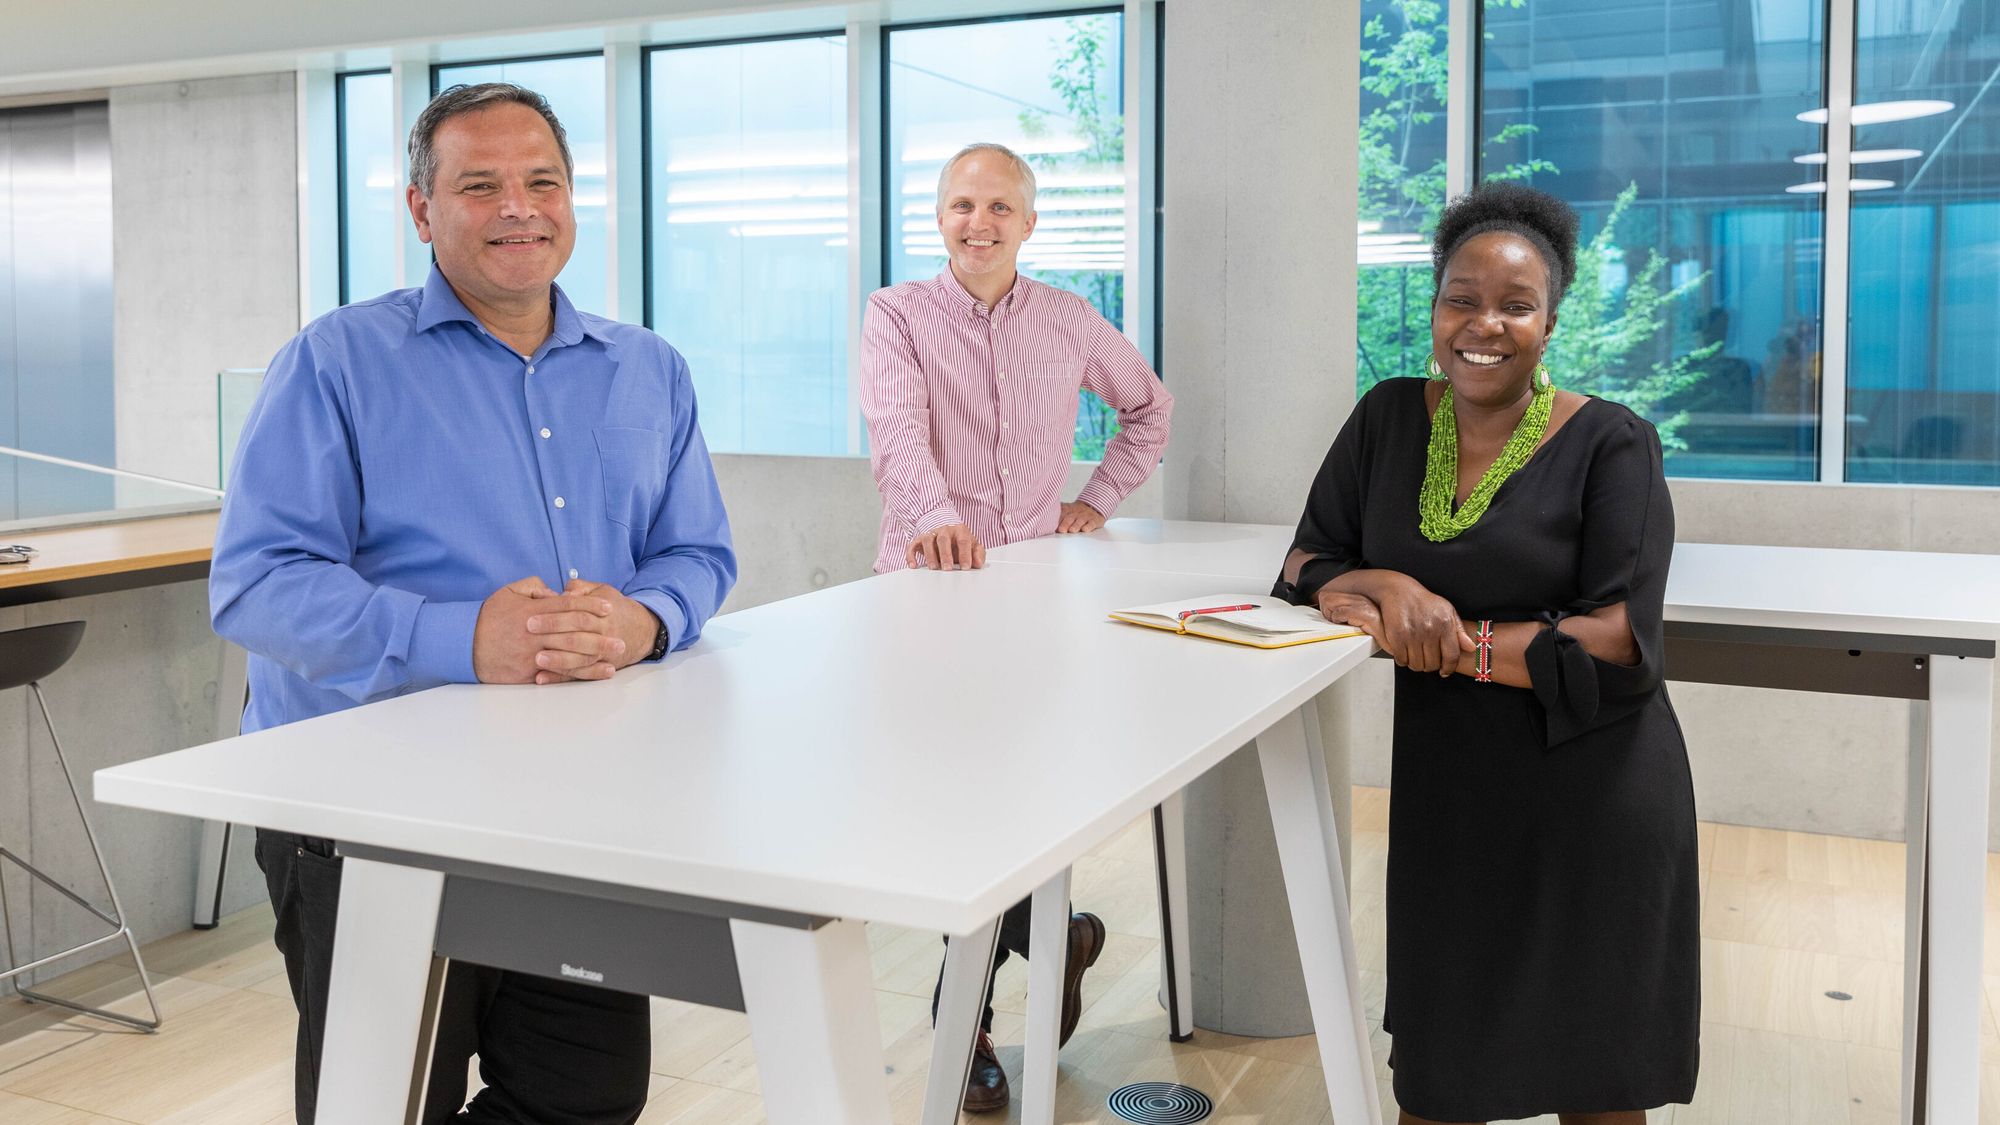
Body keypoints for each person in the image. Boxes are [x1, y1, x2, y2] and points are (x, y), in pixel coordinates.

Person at [210, 83, 736, 1125]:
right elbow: (258, 584)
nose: (518, 207)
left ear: (572, 199)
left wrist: (645, 619)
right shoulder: (335, 362)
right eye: (479, 184)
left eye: (541, 181)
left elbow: (696, 552)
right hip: (367, 815)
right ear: (421, 211)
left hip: (579, 808)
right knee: (386, 1101)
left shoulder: (648, 370)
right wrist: (462, 639)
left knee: (583, 1094)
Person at [1275, 182, 1698, 1124]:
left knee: (1596, 1086)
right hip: (1450, 796)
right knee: (1439, 1075)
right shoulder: (1388, 418)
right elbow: (1306, 559)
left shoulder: (1613, 443)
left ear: (1550, 322)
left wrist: (1452, 641)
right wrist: (1388, 588)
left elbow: (1618, 638)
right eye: (1461, 298)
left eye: (1516, 305)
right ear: (1433, 307)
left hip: (1591, 792)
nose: (1484, 325)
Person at [858, 141, 1174, 1112]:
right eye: (960, 204)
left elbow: (1146, 413)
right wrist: (935, 516)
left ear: (1027, 223)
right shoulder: (895, 315)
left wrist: (1094, 502)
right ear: (939, 218)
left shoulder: (1070, 321)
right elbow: (896, 431)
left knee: (1011, 813)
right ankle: (1054, 935)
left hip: (1035, 606)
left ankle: (969, 1028)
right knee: (943, 821)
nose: (977, 222)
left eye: (998, 206)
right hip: (922, 600)